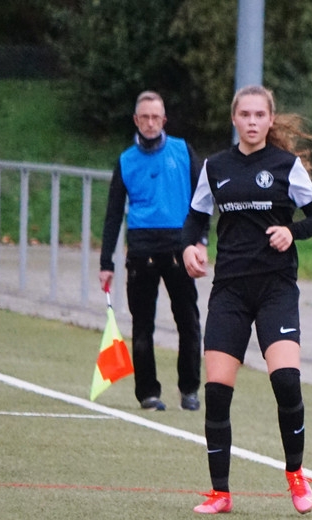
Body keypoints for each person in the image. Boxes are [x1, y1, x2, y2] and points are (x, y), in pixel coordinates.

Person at [181, 85, 312, 515]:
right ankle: (220, 493)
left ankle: (296, 474)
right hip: (230, 291)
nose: (251, 121)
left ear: (269, 119)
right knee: (216, 391)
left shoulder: (286, 166)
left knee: (285, 381)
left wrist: (291, 232)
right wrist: (190, 246)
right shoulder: (215, 167)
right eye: (244, 114)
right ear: (234, 119)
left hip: (275, 289)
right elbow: (195, 218)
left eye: (259, 115)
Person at [99, 90, 204, 412]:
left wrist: (201, 241)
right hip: (141, 247)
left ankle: (189, 389)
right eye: (144, 117)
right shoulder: (126, 160)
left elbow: (202, 197)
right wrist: (106, 262)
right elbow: (113, 213)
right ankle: (148, 393)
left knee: (188, 320)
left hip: (179, 246)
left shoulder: (183, 151)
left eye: (155, 117)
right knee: (142, 324)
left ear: (164, 119)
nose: (150, 123)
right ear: (136, 120)